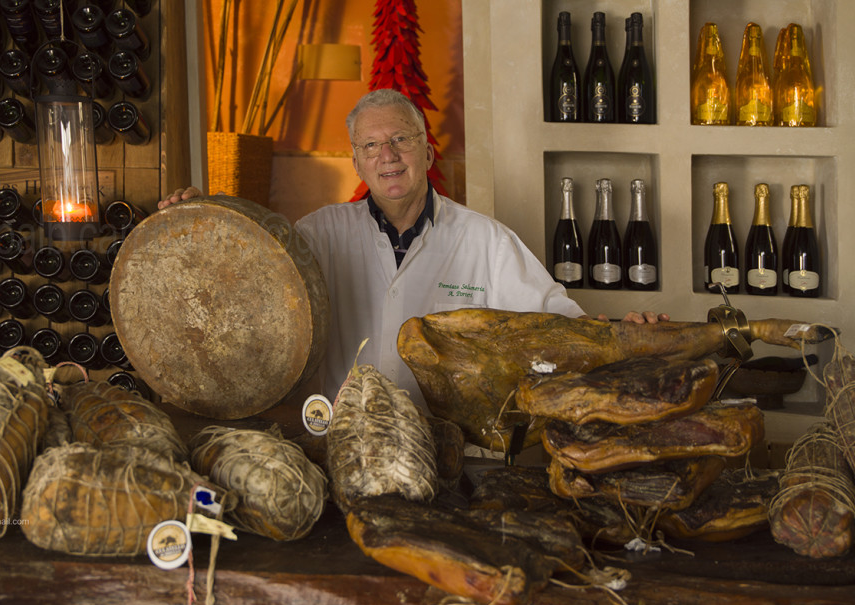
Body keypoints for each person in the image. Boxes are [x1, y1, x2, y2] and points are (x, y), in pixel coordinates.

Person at [160, 88, 667, 408]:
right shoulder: (320, 234)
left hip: (449, 449)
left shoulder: (484, 239)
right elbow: (247, 280)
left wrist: (624, 335)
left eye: (401, 140)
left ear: (426, 151)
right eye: (371, 146)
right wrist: (202, 225)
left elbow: (554, 320)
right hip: (340, 439)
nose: (388, 156)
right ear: (356, 162)